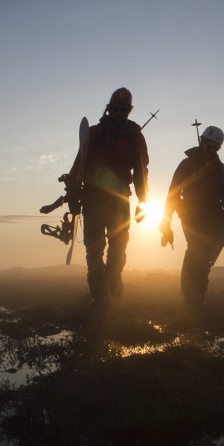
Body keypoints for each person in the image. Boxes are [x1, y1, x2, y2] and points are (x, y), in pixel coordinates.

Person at [67, 87, 149, 304]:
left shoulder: (135, 137)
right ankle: (99, 296)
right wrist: (72, 195)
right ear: (109, 108)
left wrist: (143, 201)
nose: (120, 112)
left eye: (124, 109)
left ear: (129, 110)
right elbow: (79, 165)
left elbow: (141, 170)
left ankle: (113, 277)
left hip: (119, 201)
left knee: (118, 247)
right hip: (92, 200)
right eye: (116, 108)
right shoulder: (94, 134)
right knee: (94, 251)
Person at [159, 125, 224, 306]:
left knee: (205, 255)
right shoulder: (187, 165)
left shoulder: (220, 169)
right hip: (190, 216)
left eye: (215, 148)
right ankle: (190, 295)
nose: (212, 150)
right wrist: (166, 223)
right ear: (202, 142)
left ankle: (197, 296)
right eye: (209, 146)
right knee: (195, 251)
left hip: (212, 219)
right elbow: (173, 193)